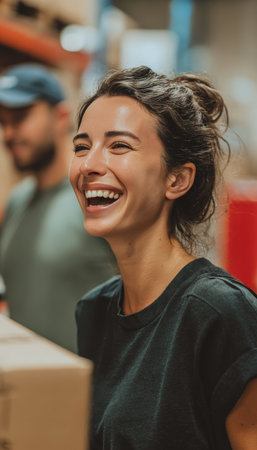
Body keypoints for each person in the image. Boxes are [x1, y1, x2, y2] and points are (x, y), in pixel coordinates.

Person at [69, 65, 257, 449]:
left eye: (119, 145)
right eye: (82, 146)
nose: (89, 165)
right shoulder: (94, 311)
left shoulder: (219, 312)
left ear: (177, 179)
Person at [0, 63, 116, 352]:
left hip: (85, 390)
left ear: (61, 117)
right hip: (26, 384)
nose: (9, 133)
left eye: (21, 117)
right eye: (3, 122)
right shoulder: (17, 201)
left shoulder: (94, 198)